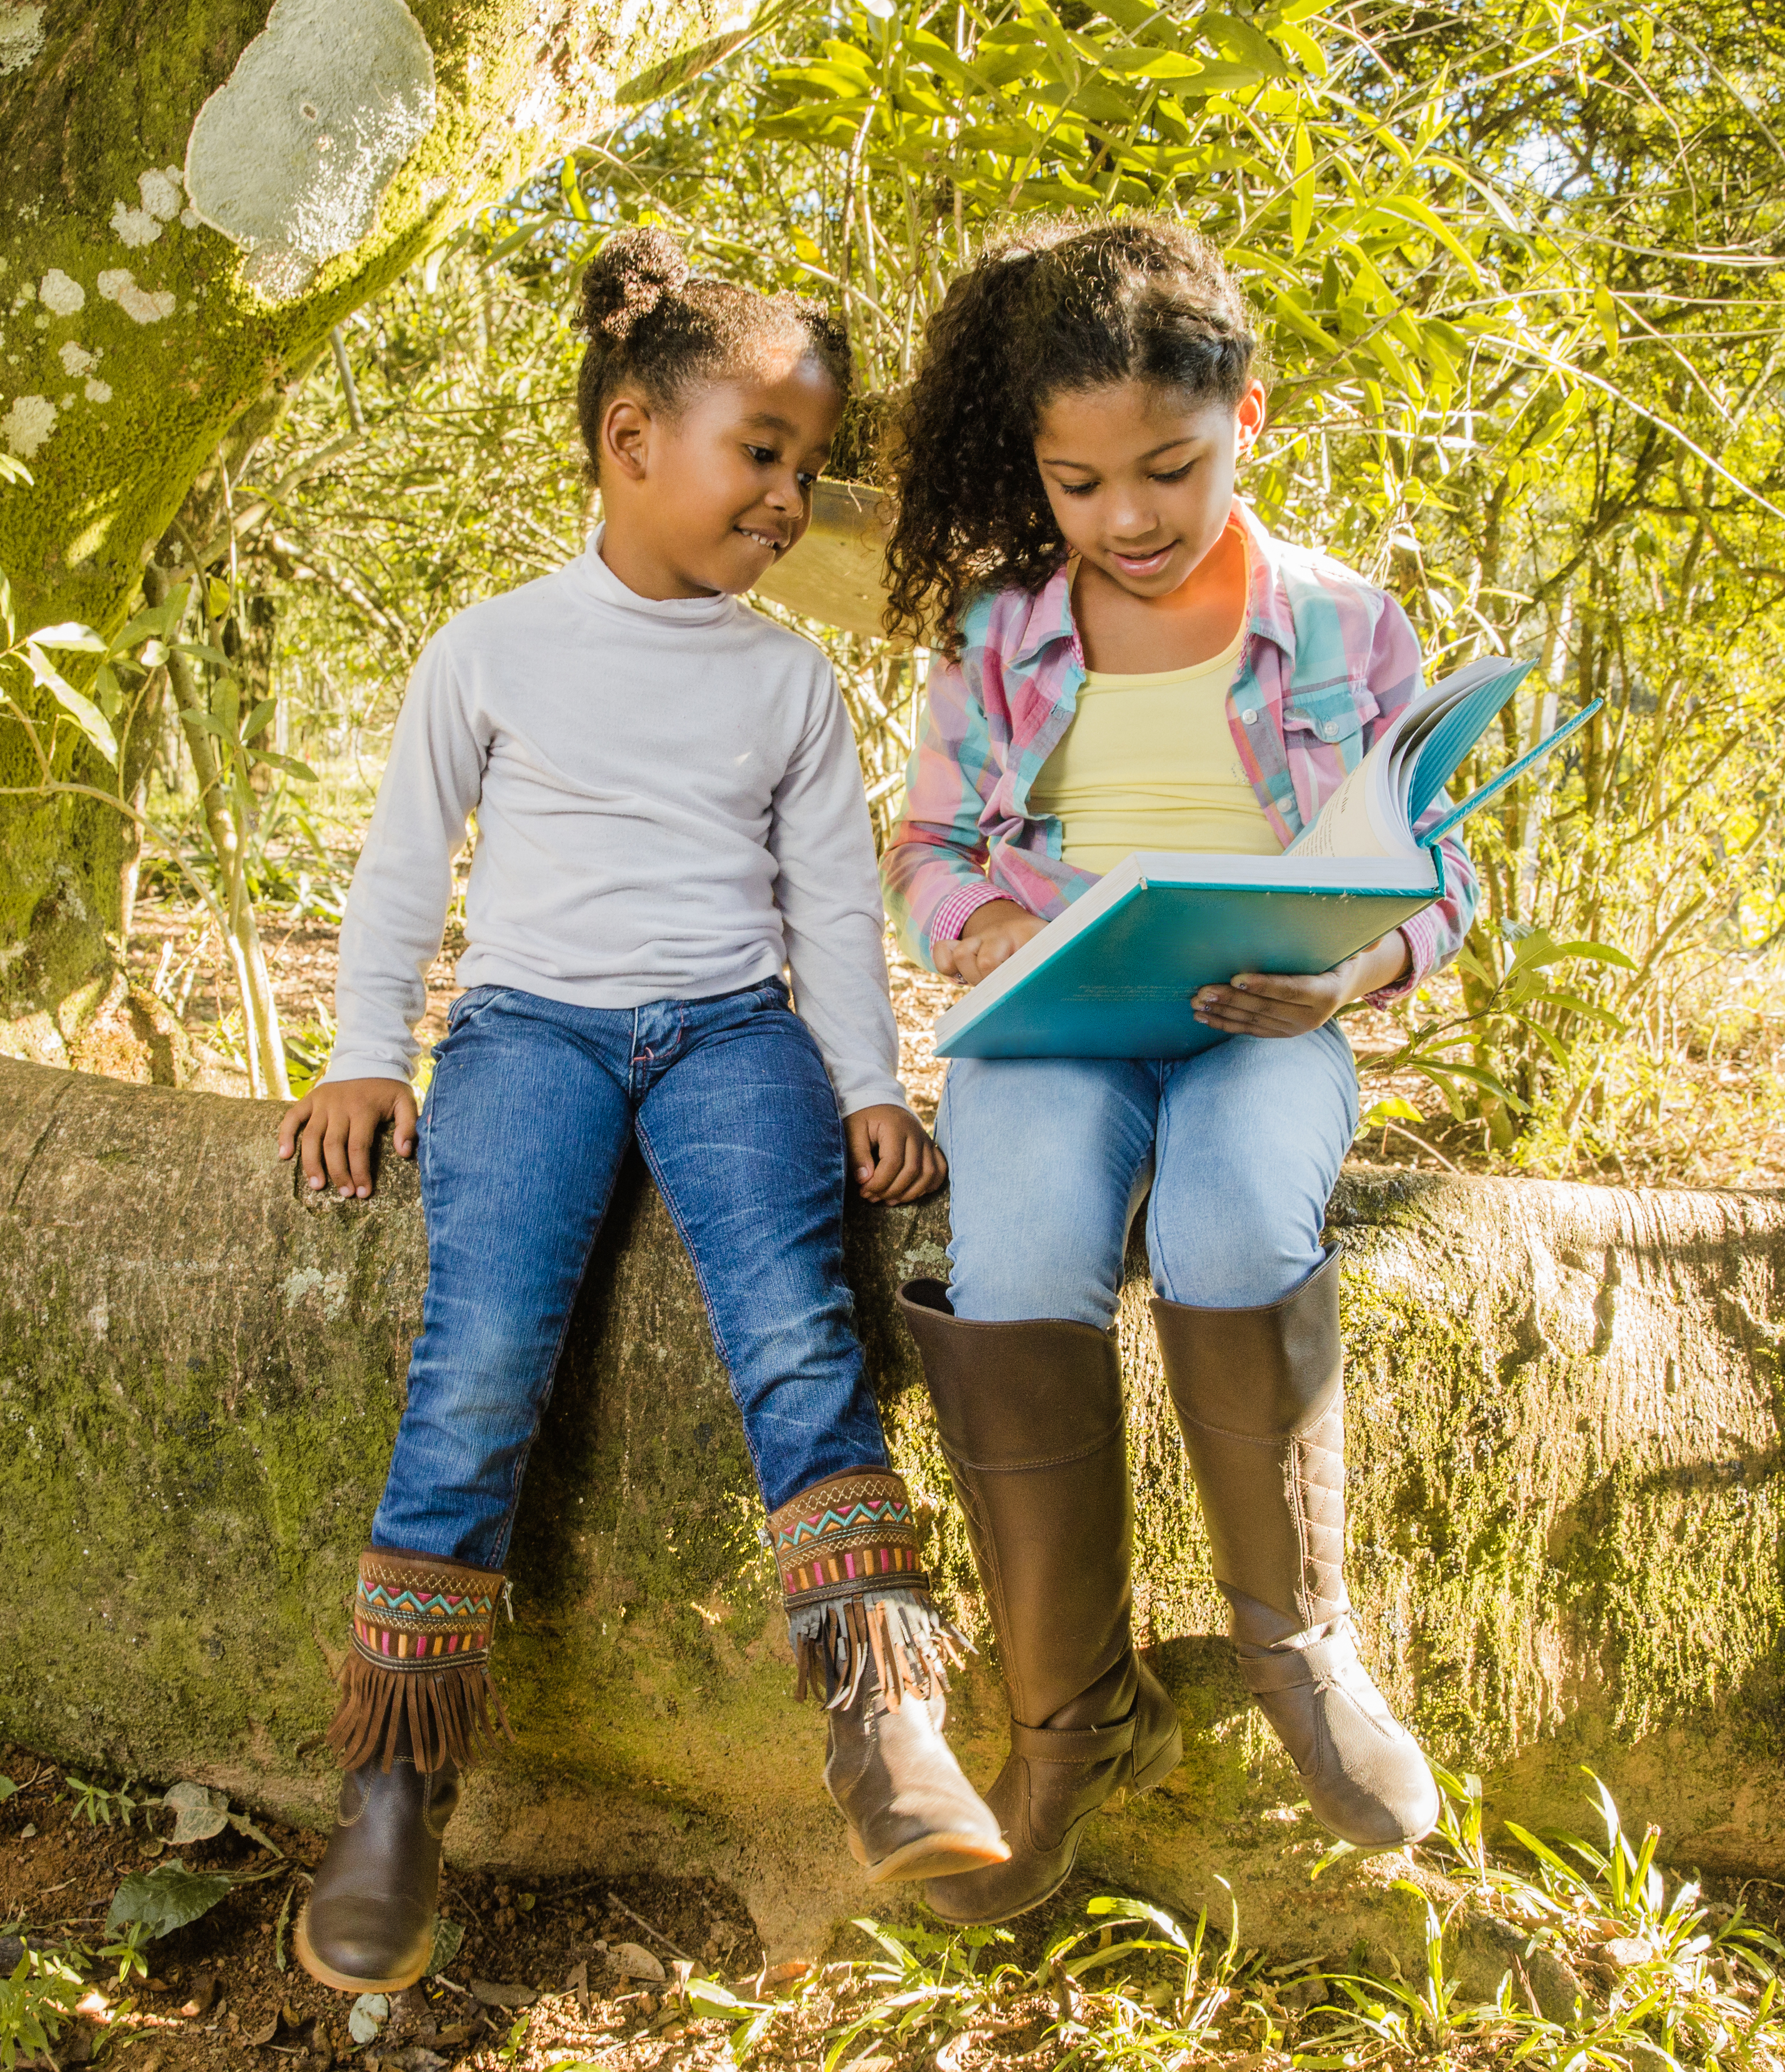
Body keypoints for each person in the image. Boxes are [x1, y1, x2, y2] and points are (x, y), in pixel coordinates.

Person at [276, 228, 1003, 1995]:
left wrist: (868, 1086)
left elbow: (832, 904)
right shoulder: (497, 648)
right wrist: (371, 1051)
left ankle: (884, 1722)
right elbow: (398, 874)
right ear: (630, 440)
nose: (787, 498)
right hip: (528, 1035)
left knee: (798, 1336)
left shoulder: (782, 684)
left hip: (734, 1040)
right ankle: (392, 1787)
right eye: (762, 455)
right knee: (479, 1361)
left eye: (808, 468)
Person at [877, 216, 1474, 1924]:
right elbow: (927, 847)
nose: (1126, 518)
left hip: (1260, 1031)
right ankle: (1070, 1721)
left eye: (1170, 468)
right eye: (1078, 484)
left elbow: (1438, 874)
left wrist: (1357, 968)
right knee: (1021, 1253)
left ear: (1250, 422)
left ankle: (1299, 1649)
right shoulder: (1002, 634)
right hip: (1059, 1029)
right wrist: (986, 933)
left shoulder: (1349, 628)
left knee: (1226, 1222)